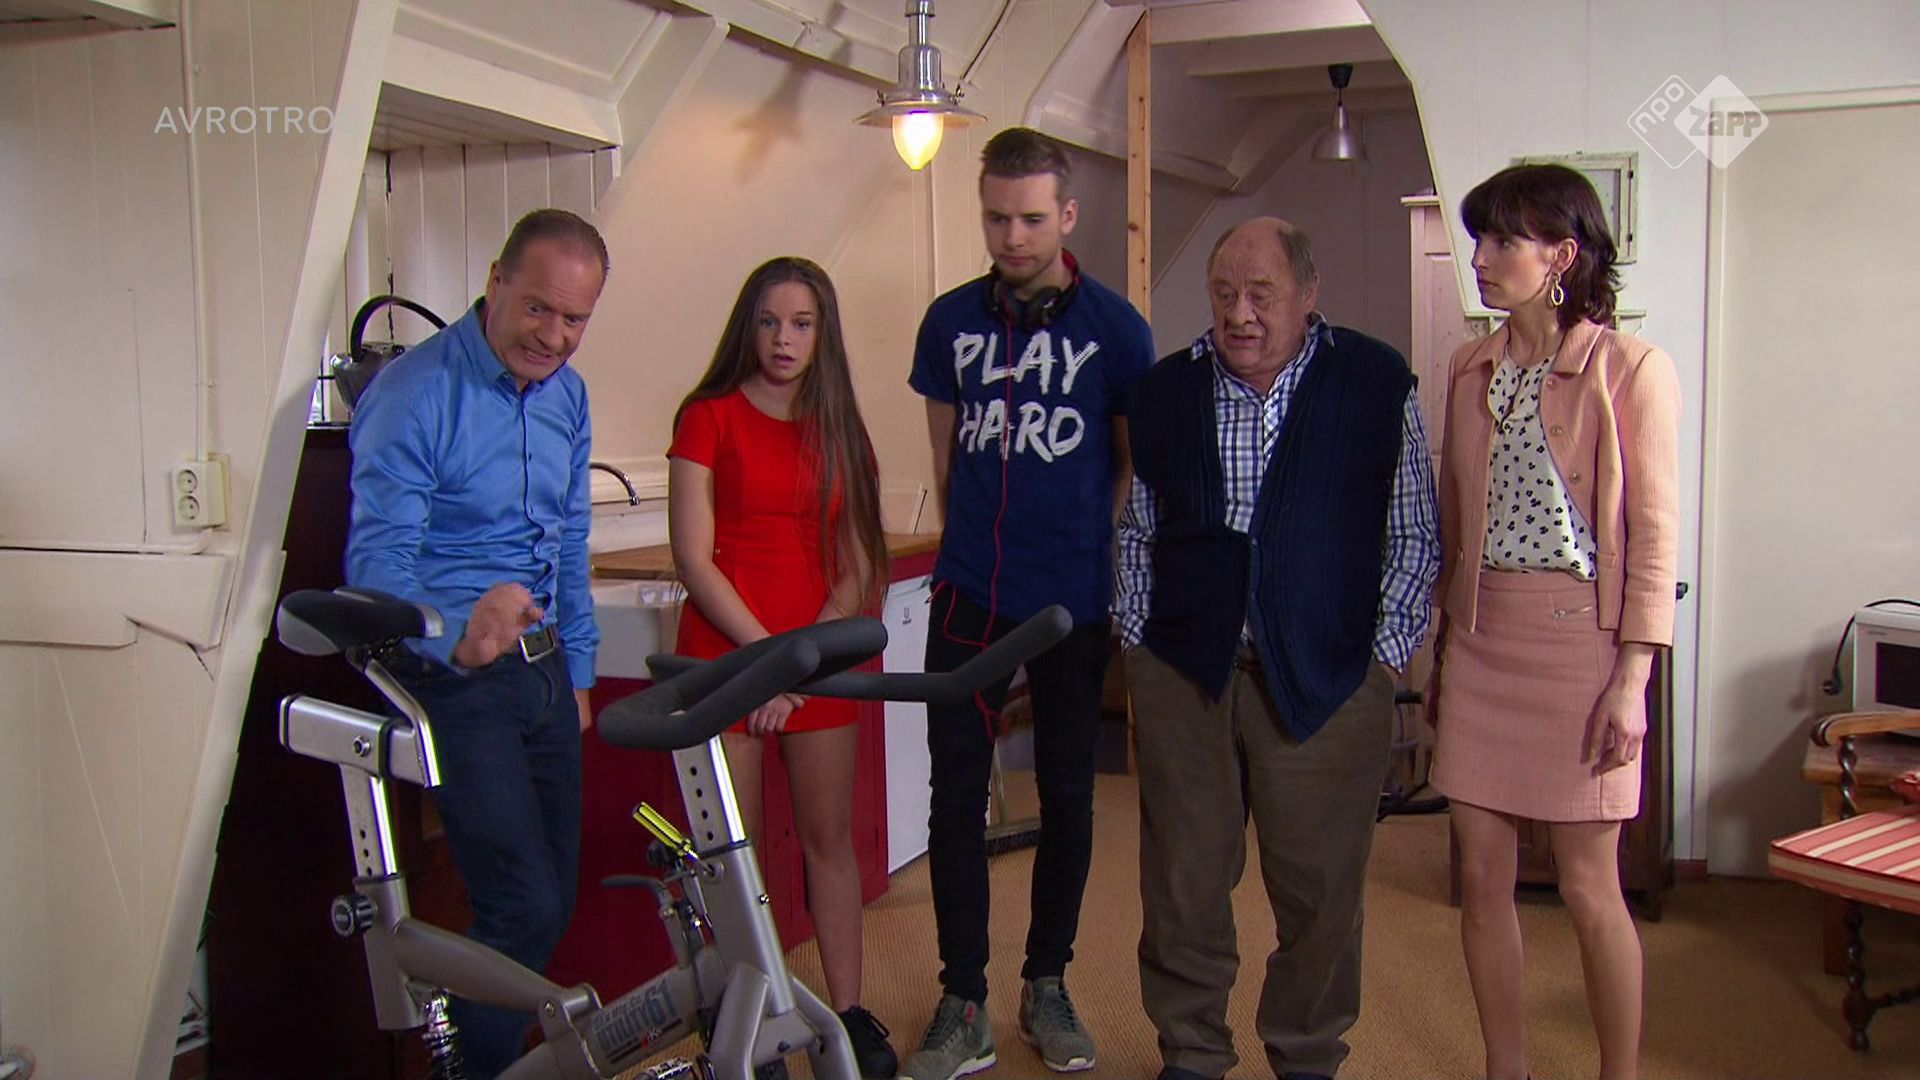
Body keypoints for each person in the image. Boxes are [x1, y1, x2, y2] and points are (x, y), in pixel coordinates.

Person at [1115, 217, 1441, 1080]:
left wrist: (1383, 657)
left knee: (1321, 888)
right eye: (1224, 294)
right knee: (1183, 881)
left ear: (1308, 293)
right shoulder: (1165, 392)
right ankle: (1192, 1050)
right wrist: (1139, 647)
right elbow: (1137, 531)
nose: (1240, 314)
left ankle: (1306, 1054)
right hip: (1186, 673)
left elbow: (1414, 535)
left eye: (1261, 294)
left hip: (1331, 675)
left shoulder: (1375, 382)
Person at [901, 127, 1155, 1080]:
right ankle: (961, 998)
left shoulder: (1118, 330)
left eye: (1032, 219)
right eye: (997, 218)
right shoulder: (948, 323)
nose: (1012, 236)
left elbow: (1126, 467)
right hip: (969, 594)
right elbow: (945, 456)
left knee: (1069, 793)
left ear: (1068, 216)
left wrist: (1090, 556)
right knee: (954, 795)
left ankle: (1047, 982)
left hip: (1070, 602)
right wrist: (964, 550)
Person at [1428, 163, 1679, 1080]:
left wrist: (1632, 681)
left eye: (1503, 241)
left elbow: (1654, 536)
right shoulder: (1469, 367)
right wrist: (1444, 658)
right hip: (1482, 639)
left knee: (1588, 887)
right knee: (1480, 883)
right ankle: (1508, 1068)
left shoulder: (1631, 370)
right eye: (1480, 240)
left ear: (1562, 256)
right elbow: (1458, 524)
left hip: (1582, 648)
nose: (1481, 259)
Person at [345, 208, 608, 1077]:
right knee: (522, 905)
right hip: (456, 678)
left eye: (574, 319)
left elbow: (570, 543)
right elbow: (374, 574)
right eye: (537, 308)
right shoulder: (415, 393)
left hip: (546, 672)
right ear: (495, 281)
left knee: (552, 901)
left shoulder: (568, 396)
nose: (554, 337)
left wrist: (579, 670)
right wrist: (462, 637)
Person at [666, 256, 898, 1079]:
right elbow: (694, 558)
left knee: (828, 842)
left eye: (801, 324)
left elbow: (858, 566)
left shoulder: (842, 430)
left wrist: (797, 670)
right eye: (769, 321)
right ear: (748, 327)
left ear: (822, 334)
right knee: (738, 861)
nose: (783, 339)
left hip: (815, 667)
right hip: (726, 661)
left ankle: (850, 1014)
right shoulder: (708, 416)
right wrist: (770, 664)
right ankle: (752, 1023)